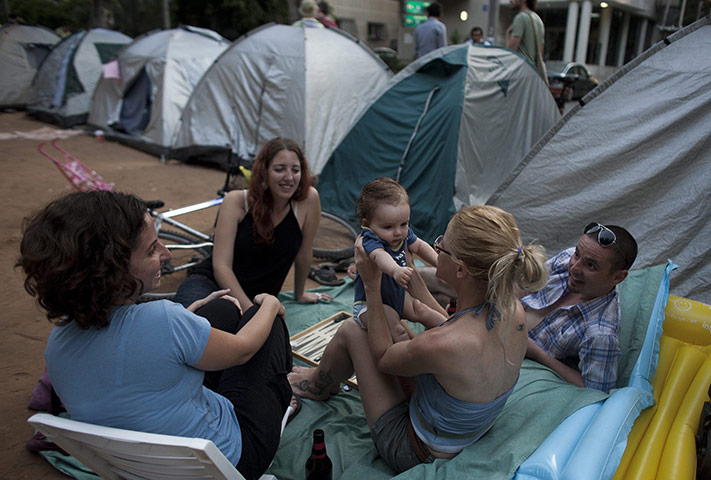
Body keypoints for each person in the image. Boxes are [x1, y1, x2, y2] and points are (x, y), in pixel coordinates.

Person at [18, 190, 295, 480]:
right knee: (263, 321)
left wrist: (188, 317)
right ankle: (282, 392)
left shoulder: (57, 343)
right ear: (112, 268)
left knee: (221, 310)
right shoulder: (163, 320)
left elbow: (142, 349)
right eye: (151, 249)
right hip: (234, 457)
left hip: (137, 463)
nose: (167, 253)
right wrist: (272, 305)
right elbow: (244, 349)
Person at [290, 205, 548, 473]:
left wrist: (371, 284)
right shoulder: (511, 310)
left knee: (353, 330)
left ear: (461, 270)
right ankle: (321, 377)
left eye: (442, 246)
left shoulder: (446, 343)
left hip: (416, 449)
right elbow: (456, 330)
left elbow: (383, 359)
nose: (435, 248)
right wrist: (414, 283)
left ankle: (318, 384)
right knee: (396, 329)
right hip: (466, 424)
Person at [174, 137, 331, 309]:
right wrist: (250, 311)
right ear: (264, 171)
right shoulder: (237, 201)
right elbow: (221, 266)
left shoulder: (308, 200)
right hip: (211, 285)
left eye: (296, 170)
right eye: (279, 169)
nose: (289, 178)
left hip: (257, 298)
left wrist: (299, 293)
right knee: (190, 322)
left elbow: (304, 252)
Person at [522, 223, 638, 393]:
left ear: (618, 277)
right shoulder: (569, 258)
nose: (574, 268)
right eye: (577, 254)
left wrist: (538, 354)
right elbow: (526, 284)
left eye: (591, 266)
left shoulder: (600, 333)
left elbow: (594, 390)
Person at [353, 178, 445, 341]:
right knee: (398, 331)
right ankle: (409, 361)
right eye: (388, 227)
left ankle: (449, 331)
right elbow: (379, 256)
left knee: (421, 309)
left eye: (404, 223)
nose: (398, 232)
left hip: (395, 294)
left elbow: (420, 246)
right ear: (367, 224)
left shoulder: (402, 232)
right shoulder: (370, 238)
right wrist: (395, 270)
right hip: (372, 304)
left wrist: (439, 262)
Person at [506, 0, 548, 82]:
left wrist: (507, 33)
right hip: (533, 73)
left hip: (520, 72)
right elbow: (540, 52)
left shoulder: (520, 17)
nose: (510, 1)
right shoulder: (538, 20)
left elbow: (510, 52)